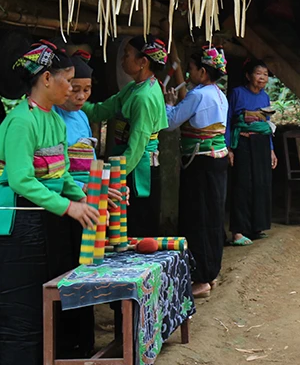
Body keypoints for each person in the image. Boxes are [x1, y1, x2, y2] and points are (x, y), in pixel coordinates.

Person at [0, 40, 100, 365]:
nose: (73, 88)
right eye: (68, 81)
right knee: (24, 305)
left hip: (47, 222)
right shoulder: (20, 122)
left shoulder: (54, 121)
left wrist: (85, 197)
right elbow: (22, 180)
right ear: (45, 79)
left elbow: (62, 174)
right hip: (19, 224)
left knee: (48, 301)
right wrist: (69, 207)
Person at [82, 36, 168, 237]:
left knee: (136, 228)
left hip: (137, 168)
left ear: (143, 62)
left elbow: (137, 145)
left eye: (127, 55)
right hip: (128, 164)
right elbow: (101, 111)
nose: (122, 60)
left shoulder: (143, 97)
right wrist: (72, 101)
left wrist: (114, 176)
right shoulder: (134, 88)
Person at [164, 44, 229, 298]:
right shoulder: (219, 94)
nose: (188, 74)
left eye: (191, 69)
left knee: (197, 218)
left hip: (200, 163)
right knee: (212, 218)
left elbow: (170, 123)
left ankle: (200, 279)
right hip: (215, 161)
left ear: (203, 72)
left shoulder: (197, 95)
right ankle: (210, 273)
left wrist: (168, 103)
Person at [226, 59, 277, 246]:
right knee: (242, 185)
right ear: (248, 75)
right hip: (243, 142)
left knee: (260, 183)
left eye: (265, 74)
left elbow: (267, 125)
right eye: (258, 73)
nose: (262, 77)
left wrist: (271, 150)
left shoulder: (264, 97)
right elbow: (228, 120)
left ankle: (257, 227)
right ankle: (238, 231)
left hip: (262, 143)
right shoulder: (237, 93)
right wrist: (229, 147)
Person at [53, 50, 97, 188]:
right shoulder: (50, 116)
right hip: (64, 190)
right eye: (75, 89)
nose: (81, 97)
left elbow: (93, 160)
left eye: (86, 90)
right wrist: (79, 186)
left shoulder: (82, 116)